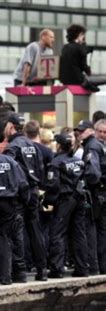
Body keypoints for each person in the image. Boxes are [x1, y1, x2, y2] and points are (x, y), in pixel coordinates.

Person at [3, 113, 48, 281]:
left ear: (11, 127)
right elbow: (41, 171)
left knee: (17, 231)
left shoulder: (12, 147)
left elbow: (7, 172)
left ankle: (20, 271)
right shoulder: (34, 146)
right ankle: (42, 270)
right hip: (34, 191)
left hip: (19, 194)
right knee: (35, 230)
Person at [0, 133, 29, 285]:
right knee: (5, 239)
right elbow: (23, 184)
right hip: (8, 203)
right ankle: (5, 276)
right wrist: (22, 202)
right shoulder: (10, 161)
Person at [43, 133, 89, 278]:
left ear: (59, 145)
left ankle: (57, 269)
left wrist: (48, 201)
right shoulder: (78, 161)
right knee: (79, 233)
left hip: (65, 200)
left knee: (57, 233)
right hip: (79, 199)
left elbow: (52, 185)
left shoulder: (56, 163)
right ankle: (82, 268)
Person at [76, 119, 106, 274]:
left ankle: (95, 266)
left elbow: (93, 173)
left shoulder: (92, 146)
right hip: (102, 192)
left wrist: (86, 183)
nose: (80, 133)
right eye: (79, 131)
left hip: (96, 194)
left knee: (93, 229)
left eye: (83, 130)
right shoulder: (99, 145)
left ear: (90, 131)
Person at [60, 24, 106, 91]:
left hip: (65, 80)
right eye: (83, 35)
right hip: (78, 80)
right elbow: (84, 66)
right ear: (80, 34)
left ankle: (89, 85)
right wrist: (88, 71)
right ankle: (88, 85)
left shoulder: (64, 48)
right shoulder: (80, 48)